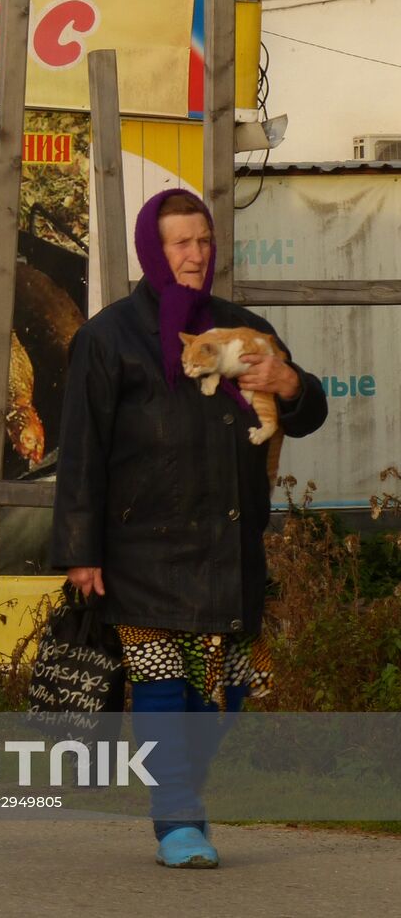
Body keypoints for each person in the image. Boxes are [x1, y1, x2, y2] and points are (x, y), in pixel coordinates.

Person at [50, 189, 328, 868]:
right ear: (154, 249)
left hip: (227, 547)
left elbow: (308, 414)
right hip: (141, 548)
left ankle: (182, 793)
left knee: (223, 693)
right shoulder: (109, 338)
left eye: (203, 240)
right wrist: (81, 549)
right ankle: (176, 818)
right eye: (181, 242)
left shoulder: (245, 329)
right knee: (160, 684)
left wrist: (288, 381)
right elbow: (81, 450)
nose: (196, 254)